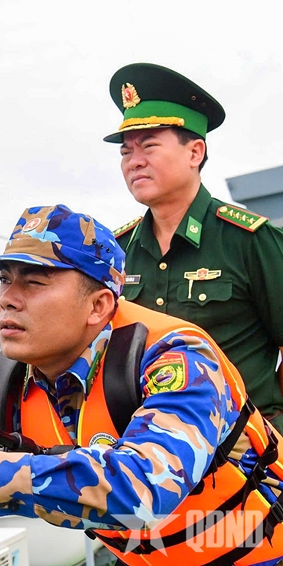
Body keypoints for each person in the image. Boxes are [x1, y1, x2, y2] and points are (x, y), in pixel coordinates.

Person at [0, 204, 283, 566]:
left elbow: (142, 491)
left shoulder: (179, 357)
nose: (7, 299)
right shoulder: (3, 386)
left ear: (98, 306)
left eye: (33, 282)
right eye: (4, 280)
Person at [103, 62, 283, 434]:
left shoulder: (249, 240)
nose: (134, 161)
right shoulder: (117, 251)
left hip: (242, 452)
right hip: (146, 452)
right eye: (125, 152)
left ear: (195, 152)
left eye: (149, 146)